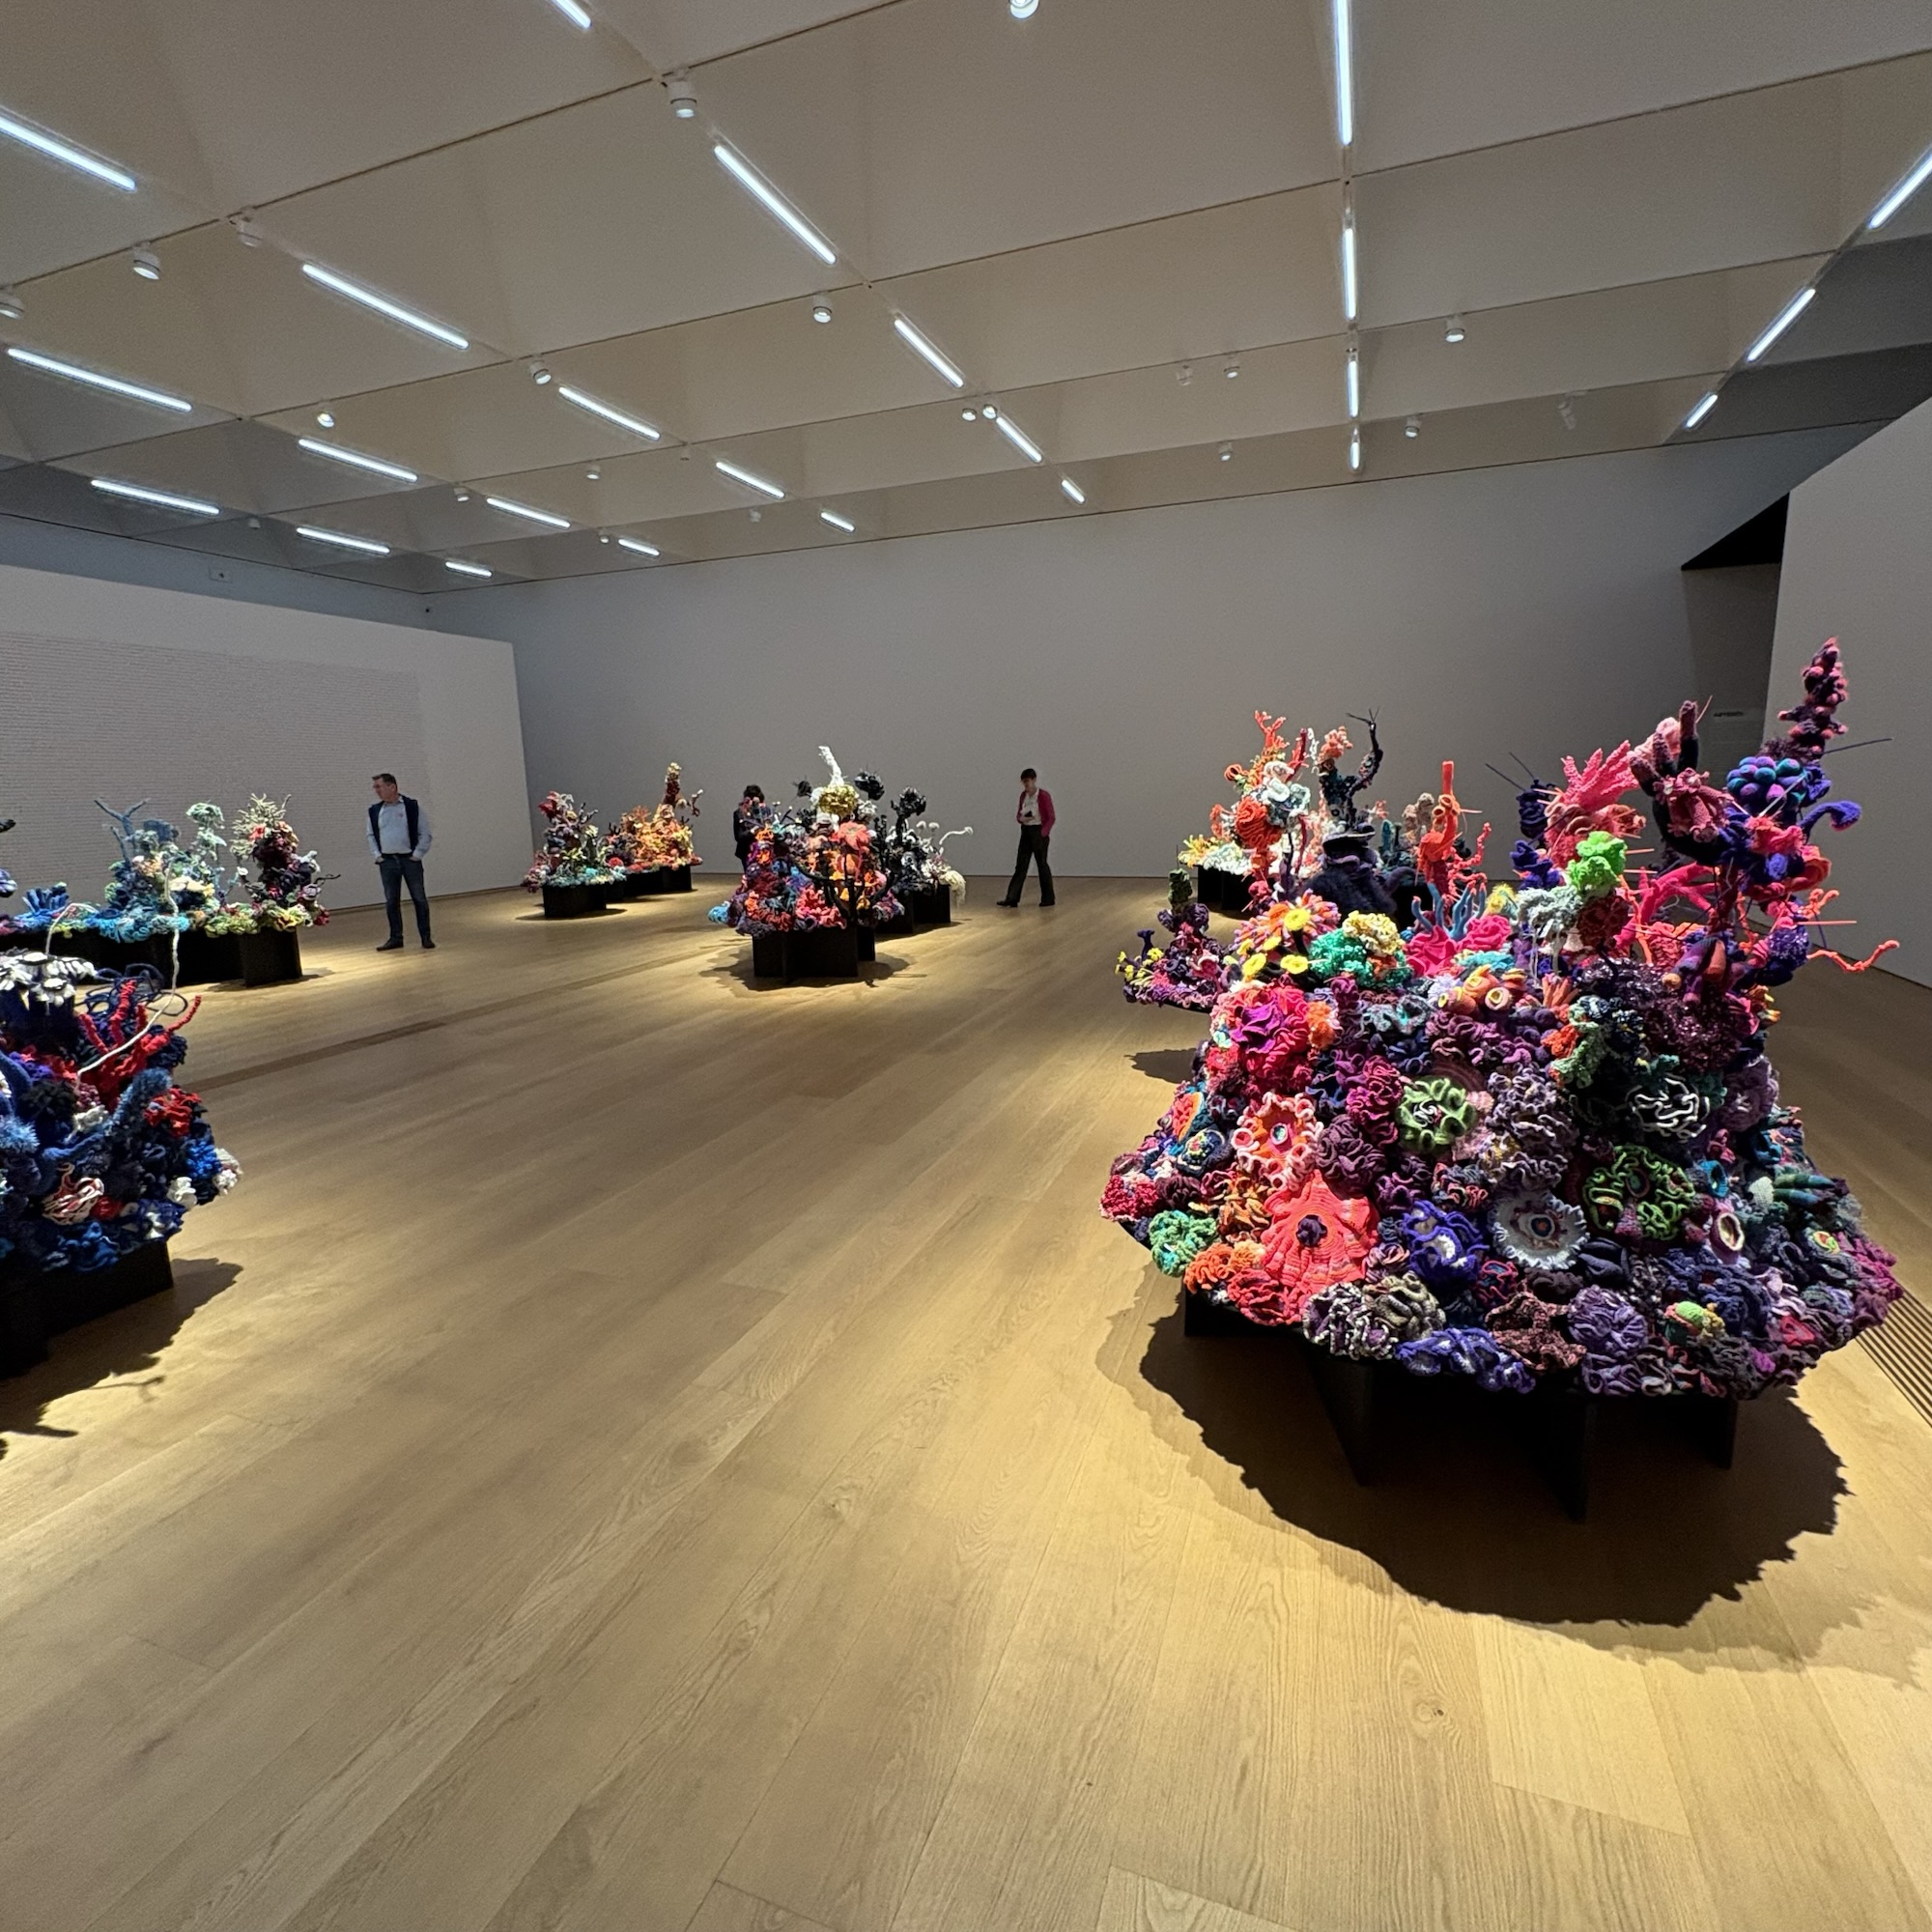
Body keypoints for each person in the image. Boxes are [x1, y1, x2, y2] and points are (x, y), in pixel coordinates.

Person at [367, 773, 435, 951]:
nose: (376, 791)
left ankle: (425, 937)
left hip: (409, 860)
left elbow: (425, 833)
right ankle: (396, 937)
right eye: (375, 787)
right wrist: (378, 856)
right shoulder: (374, 811)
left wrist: (417, 854)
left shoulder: (412, 806)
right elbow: (371, 835)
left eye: (379, 786)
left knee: (419, 899)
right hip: (387, 862)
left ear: (392, 787)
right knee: (391, 901)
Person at [1000, 767, 1056, 907]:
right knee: (1021, 865)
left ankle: (1048, 898)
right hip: (1026, 831)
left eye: (1028, 781)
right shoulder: (1023, 796)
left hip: (1038, 831)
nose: (1026, 784)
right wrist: (1021, 819)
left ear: (1034, 780)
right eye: (1024, 782)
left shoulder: (1043, 795)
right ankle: (1012, 898)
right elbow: (1019, 813)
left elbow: (1051, 817)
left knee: (1042, 865)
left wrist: (1043, 833)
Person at [732, 784, 766, 867]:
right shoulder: (739, 813)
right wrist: (752, 831)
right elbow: (739, 837)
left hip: (764, 850)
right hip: (747, 851)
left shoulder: (764, 811)